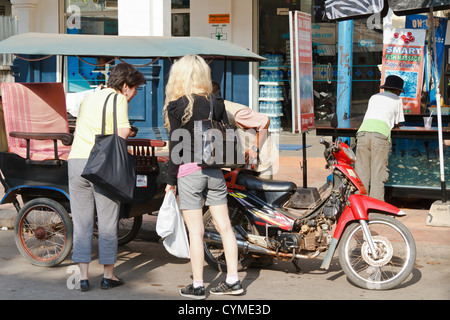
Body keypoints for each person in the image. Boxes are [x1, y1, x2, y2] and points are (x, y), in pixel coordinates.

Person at [163, 55, 243, 300]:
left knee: (196, 233)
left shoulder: (176, 106)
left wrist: (170, 181)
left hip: (189, 172)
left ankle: (198, 286)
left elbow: (176, 146)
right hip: (214, 170)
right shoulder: (215, 103)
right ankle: (233, 281)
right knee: (226, 228)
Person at [68, 63, 146, 292]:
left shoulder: (88, 98)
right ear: (124, 86)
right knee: (107, 222)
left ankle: (83, 277)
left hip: (76, 163)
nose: (134, 94)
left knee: (82, 223)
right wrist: (131, 131)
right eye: (135, 89)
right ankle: (108, 275)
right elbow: (121, 133)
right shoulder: (118, 99)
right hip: (102, 166)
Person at [354, 75, 405, 201]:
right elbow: (398, 122)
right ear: (397, 90)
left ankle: (360, 204)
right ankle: (375, 208)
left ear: (385, 88)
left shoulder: (374, 97)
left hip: (362, 133)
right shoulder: (397, 99)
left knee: (361, 172)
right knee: (378, 173)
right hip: (380, 135)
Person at [212, 82, 278, 178]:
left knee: (262, 190)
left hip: (261, 158)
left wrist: (254, 148)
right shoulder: (212, 110)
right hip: (244, 158)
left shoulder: (237, 113)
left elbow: (264, 121)